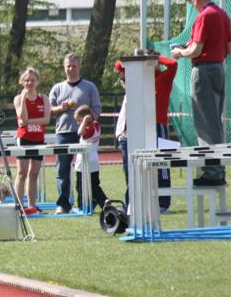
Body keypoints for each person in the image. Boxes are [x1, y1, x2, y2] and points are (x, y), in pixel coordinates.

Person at [171, 0, 230, 186]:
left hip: (203, 70)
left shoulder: (204, 16)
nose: (192, 4)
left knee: (204, 123)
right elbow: (228, 48)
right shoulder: (222, 14)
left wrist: (179, 52)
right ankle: (218, 169)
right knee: (215, 121)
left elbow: (195, 50)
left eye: (191, 1)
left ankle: (211, 172)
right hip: (219, 69)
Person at [114, 52, 178, 210]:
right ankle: (135, 202)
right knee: (137, 165)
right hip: (140, 126)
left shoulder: (163, 77)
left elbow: (173, 64)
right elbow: (118, 65)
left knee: (162, 165)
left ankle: (163, 203)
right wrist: (137, 57)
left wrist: (154, 58)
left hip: (159, 125)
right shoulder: (139, 79)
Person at [48, 54, 102, 213]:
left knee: (85, 169)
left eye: (74, 66)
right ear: (64, 67)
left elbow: (97, 109)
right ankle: (63, 204)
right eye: (68, 66)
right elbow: (49, 111)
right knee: (62, 170)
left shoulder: (90, 87)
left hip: (84, 135)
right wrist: (62, 108)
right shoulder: (57, 88)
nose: (71, 69)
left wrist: (87, 120)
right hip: (63, 133)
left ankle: (85, 202)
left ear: (79, 67)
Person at [13, 68, 50, 214]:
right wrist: (23, 99)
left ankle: (32, 205)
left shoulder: (44, 98)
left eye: (32, 80)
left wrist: (29, 121)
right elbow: (22, 117)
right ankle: (19, 205)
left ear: (37, 82)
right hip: (24, 138)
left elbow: (46, 120)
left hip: (38, 139)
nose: (29, 83)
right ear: (22, 82)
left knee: (34, 174)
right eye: (27, 80)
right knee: (21, 173)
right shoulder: (18, 99)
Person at [73, 105, 108, 212]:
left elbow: (80, 132)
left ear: (86, 118)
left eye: (79, 120)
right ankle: (102, 202)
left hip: (84, 162)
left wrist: (84, 121)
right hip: (94, 161)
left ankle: (83, 206)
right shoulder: (96, 125)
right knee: (94, 185)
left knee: (80, 186)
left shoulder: (89, 128)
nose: (78, 123)